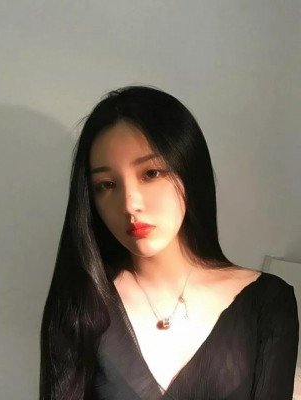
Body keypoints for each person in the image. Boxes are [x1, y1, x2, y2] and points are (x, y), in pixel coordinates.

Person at [39, 86, 299, 400]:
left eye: (151, 173)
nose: (130, 204)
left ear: (189, 169)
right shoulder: (82, 305)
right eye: (106, 185)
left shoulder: (267, 304)